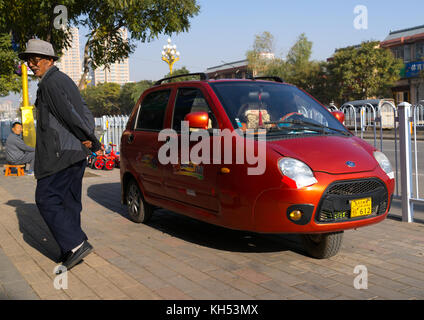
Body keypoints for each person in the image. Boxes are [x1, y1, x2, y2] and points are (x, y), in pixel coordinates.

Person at [18, 39, 103, 272]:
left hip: (60, 153)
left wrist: (92, 141)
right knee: (69, 201)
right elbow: (83, 110)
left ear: (49, 60)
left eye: (35, 60)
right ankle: (71, 249)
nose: (31, 64)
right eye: (28, 60)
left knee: (46, 198)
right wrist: (88, 142)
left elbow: (71, 115)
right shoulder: (62, 80)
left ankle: (75, 244)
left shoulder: (51, 83)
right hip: (73, 151)